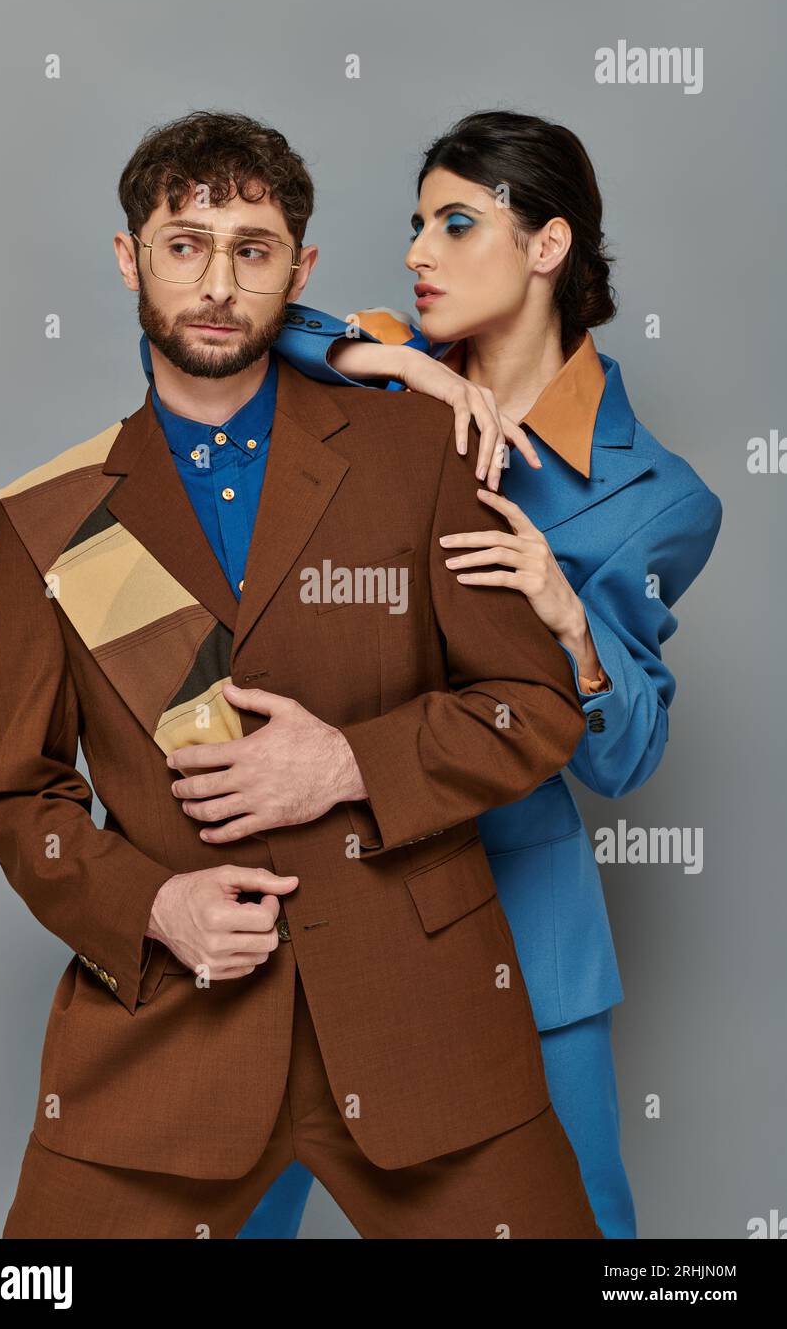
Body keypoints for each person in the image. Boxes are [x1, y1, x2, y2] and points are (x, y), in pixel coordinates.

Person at [0, 109, 602, 1239]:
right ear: (130, 259)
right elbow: (18, 802)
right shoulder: (51, 520)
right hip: (165, 1041)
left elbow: (534, 709)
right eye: (183, 245)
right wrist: (152, 902)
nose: (217, 282)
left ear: (298, 269)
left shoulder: (421, 454)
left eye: (252, 249)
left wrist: (346, 763)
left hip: (427, 1034)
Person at [241, 109, 722, 1239]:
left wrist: (566, 618)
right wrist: (382, 358)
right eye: (415, 224)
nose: (416, 252)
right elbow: (242, 331)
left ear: (546, 246)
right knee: (221, 1213)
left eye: (456, 223)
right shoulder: (376, 383)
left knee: (578, 1230)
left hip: (519, 917)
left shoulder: (657, 496)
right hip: (321, 885)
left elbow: (623, 756)